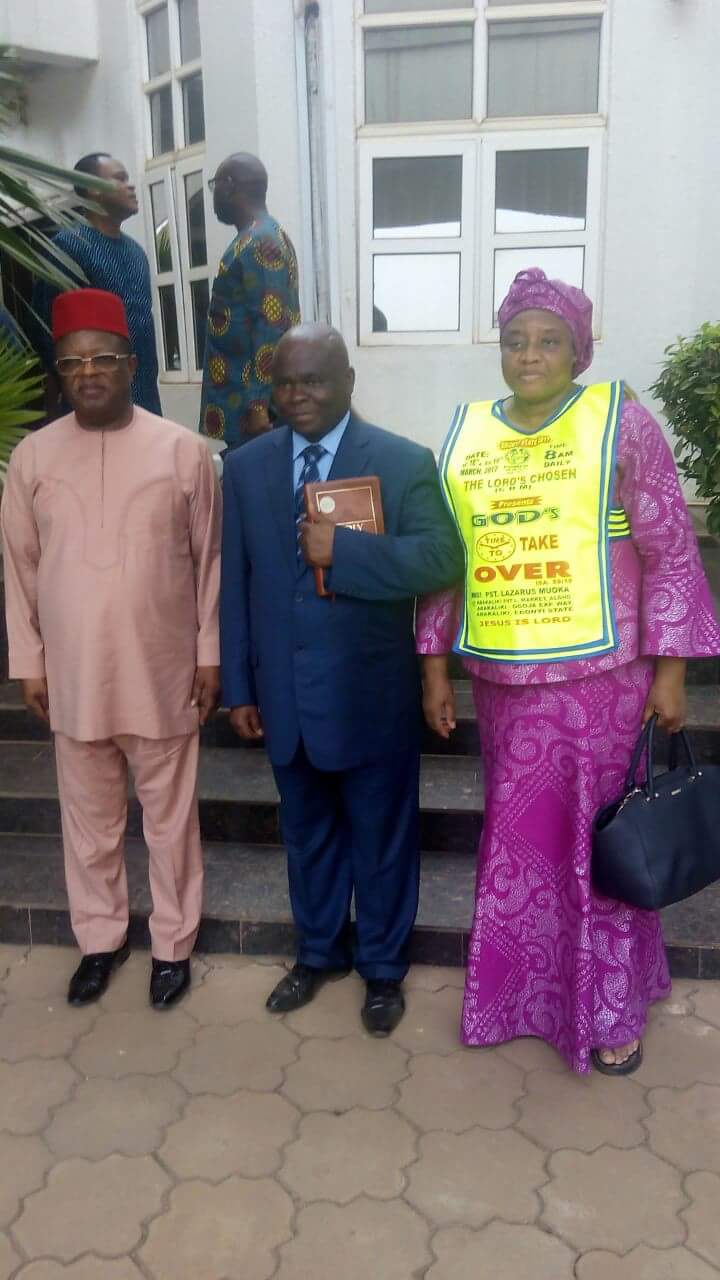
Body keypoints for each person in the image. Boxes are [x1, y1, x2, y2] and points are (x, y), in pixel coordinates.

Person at [417, 267, 720, 1076]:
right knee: (523, 850)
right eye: (516, 340)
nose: (529, 355)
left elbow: (669, 550)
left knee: (604, 844)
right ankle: (519, 998)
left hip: (606, 679)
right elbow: (449, 561)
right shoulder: (468, 434)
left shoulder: (619, 422)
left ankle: (611, 1008)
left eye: (549, 341)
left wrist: (671, 672)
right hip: (508, 685)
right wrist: (434, 665)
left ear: (579, 351)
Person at [220, 323, 464, 1033]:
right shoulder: (246, 466)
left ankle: (383, 969)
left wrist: (347, 554)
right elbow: (236, 582)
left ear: (348, 381)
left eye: (315, 380)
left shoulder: (398, 459)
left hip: (370, 697)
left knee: (382, 838)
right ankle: (319, 951)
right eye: (286, 382)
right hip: (285, 698)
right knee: (308, 835)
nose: (298, 395)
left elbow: (442, 558)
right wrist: (240, 686)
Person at [1, 289, 221, 1009]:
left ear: (131, 364)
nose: (88, 373)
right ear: (60, 374)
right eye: (73, 363)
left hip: (161, 670)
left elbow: (210, 562)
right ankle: (99, 939)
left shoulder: (182, 451)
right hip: (73, 675)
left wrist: (209, 652)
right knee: (89, 822)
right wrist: (29, 662)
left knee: (169, 821)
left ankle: (172, 946)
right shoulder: (32, 458)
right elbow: (19, 566)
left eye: (103, 359)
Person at [33, 153, 162, 416]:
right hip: (92, 398)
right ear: (93, 189)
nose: (130, 185)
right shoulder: (69, 247)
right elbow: (46, 328)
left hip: (144, 395)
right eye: (119, 178)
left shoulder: (136, 252)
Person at [200, 152, 300, 449]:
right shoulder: (255, 236)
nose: (214, 195)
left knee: (253, 489)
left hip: (253, 414)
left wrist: (258, 406)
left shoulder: (261, 241)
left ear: (229, 186)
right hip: (240, 406)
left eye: (214, 185)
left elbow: (271, 325)